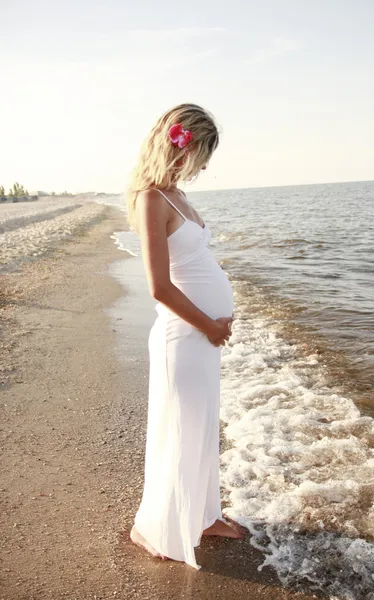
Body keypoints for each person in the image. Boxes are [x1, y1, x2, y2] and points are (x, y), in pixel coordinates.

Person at [126, 103, 246, 570]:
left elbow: (194, 265)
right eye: (204, 154)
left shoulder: (177, 194)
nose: (205, 166)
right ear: (183, 144)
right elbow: (158, 286)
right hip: (185, 335)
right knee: (181, 432)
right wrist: (211, 324)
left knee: (200, 430)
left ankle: (203, 515)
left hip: (202, 336)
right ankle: (161, 527)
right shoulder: (151, 198)